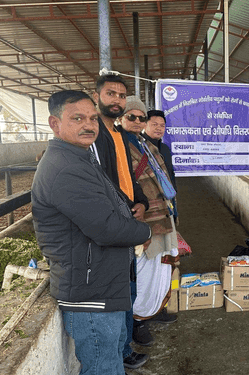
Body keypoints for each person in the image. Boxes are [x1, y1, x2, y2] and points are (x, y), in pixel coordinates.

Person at [31, 90, 152, 375]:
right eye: (77, 118)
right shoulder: (65, 168)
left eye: (92, 118)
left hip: (102, 281)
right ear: (54, 123)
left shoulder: (80, 157)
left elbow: (114, 203)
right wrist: (145, 231)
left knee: (109, 357)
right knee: (103, 366)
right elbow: (107, 229)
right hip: (90, 291)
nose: (89, 125)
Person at [91, 74, 150, 369]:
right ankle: (120, 351)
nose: (116, 99)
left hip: (127, 220)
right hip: (112, 224)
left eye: (121, 95)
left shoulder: (117, 135)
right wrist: (124, 209)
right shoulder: (92, 136)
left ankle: (124, 346)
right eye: (111, 93)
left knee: (128, 289)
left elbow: (129, 178)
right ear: (97, 95)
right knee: (118, 292)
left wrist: (141, 201)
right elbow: (100, 184)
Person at [118, 96, 180, 346]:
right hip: (141, 219)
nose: (136, 121)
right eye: (131, 116)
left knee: (162, 267)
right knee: (143, 272)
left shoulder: (146, 144)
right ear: (121, 118)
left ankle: (154, 309)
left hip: (162, 214)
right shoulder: (118, 144)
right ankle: (138, 320)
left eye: (140, 117)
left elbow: (164, 179)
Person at [143, 110, 177, 192]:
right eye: (154, 125)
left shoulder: (165, 148)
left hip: (167, 196)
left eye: (162, 126)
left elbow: (170, 174)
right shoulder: (140, 146)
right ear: (144, 125)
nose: (159, 128)